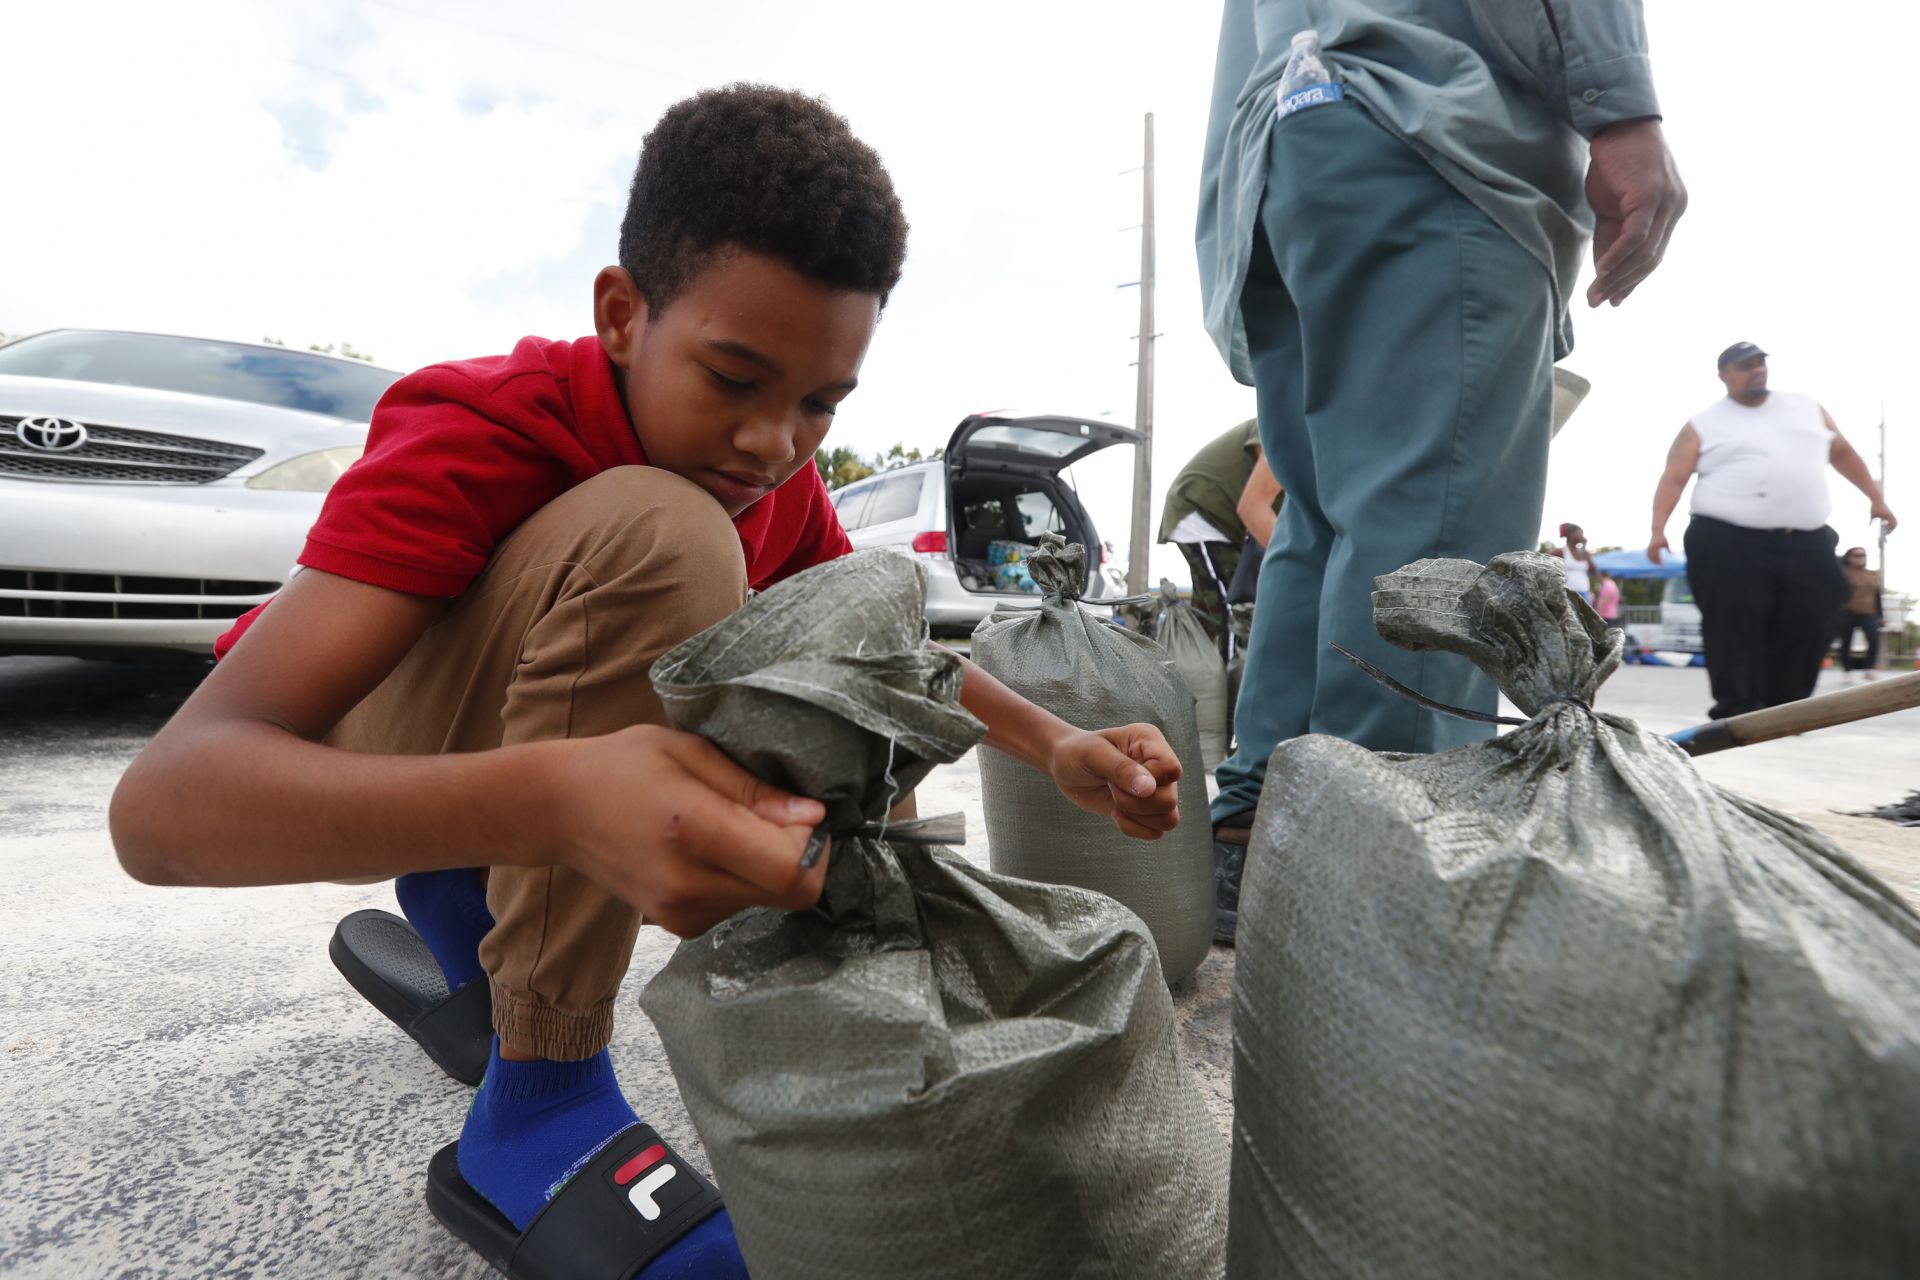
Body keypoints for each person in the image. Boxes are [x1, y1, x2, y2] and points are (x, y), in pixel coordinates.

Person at [109, 86, 1183, 1279]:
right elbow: (161, 811)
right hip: (363, 736)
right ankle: (539, 1103)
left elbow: (883, 645)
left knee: (825, 614)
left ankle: (470, 914)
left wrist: (1054, 744)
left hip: (503, 743)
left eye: (820, 404)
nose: (773, 442)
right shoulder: (482, 425)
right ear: (622, 314)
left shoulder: (773, 485)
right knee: (665, 540)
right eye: (733, 377)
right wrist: (556, 801)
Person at [1196, 0, 1686, 942]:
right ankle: (1373, 886)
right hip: (1429, 120)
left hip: (1285, 151)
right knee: (1433, 542)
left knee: (1325, 522)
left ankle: (1261, 835)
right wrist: (1620, 106)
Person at [1648, 343, 1898, 719]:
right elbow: (1674, 475)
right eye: (1745, 366)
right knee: (1734, 617)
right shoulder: (1705, 422)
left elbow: (1843, 453)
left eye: (1760, 364)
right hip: (1726, 537)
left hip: (1806, 536)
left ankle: (1784, 701)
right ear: (1724, 375)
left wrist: (1876, 499)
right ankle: (1735, 705)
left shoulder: (1805, 408)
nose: (1756, 371)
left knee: (1825, 599)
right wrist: (1657, 530)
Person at [1156, 417, 1283, 657]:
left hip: (1221, 521)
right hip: (1201, 513)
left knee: (1209, 612)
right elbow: (1254, 507)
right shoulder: (1287, 420)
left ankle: (1192, 679)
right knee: (1237, 608)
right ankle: (1234, 683)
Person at [1834, 546, 1885, 682]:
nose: (1861, 557)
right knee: (1846, 642)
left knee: (1874, 639)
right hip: (1847, 612)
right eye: (1857, 555)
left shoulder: (1872, 574)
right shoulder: (1843, 573)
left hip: (1868, 612)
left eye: (1863, 555)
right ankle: (1847, 670)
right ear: (1849, 557)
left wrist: (1880, 615)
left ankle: (1869, 668)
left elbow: (1877, 595)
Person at [1553, 522, 1598, 601]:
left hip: (1584, 593)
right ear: (1571, 534)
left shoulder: (1584, 553)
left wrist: (1584, 549)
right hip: (1568, 594)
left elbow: (1593, 570)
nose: (1582, 536)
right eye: (1580, 533)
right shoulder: (1561, 552)